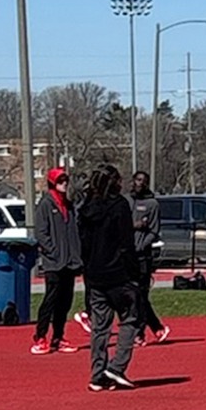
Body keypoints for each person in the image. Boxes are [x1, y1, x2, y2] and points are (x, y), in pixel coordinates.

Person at [74, 163, 141, 391]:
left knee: (100, 327)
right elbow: (126, 243)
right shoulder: (119, 205)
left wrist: (88, 269)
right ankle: (117, 366)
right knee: (131, 318)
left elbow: (83, 245)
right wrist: (135, 273)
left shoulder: (85, 208)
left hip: (94, 275)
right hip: (118, 273)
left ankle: (97, 373)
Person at [31, 166, 83, 354]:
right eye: (60, 181)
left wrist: (76, 255)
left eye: (65, 180)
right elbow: (41, 233)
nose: (64, 184)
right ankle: (40, 336)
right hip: (54, 262)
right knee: (51, 299)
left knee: (65, 301)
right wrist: (52, 252)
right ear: (53, 183)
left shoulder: (69, 205)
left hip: (70, 262)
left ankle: (58, 337)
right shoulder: (45, 204)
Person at [128, 171, 169, 345]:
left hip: (143, 257)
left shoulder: (152, 204)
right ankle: (157, 327)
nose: (139, 183)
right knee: (132, 296)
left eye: (143, 181)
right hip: (126, 256)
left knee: (141, 295)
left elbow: (154, 231)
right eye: (137, 180)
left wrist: (141, 245)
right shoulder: (126, 201)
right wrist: (134, 226)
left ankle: (140, 333)